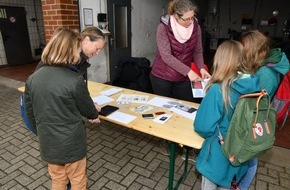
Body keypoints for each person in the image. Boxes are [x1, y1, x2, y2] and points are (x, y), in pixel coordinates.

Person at [24, 28, 101, 190]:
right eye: (77, 49)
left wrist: (44, 132)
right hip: (72, 145)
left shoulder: (33, 78)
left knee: (58, 179)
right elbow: (87, 107)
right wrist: (94, 114)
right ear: (70, 50)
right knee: (78, 179)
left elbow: (30, 112)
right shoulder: (74, 79)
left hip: (49, 143)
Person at [194, 40, 261, 189]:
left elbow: (203, 127)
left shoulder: (218, 90)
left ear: (220, 60)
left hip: (219, 154)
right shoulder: (254, 84)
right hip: (240, 152)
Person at [237, 30, 290, 190]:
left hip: (257, 119)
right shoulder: (266, 63)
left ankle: (241, 187)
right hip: (258, 115)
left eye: (243, 49)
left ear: (252, 50)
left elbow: (253, 101)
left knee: (251, 157)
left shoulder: (266, 73)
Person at [150, 0, 211, 103]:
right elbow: (166, 56)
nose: (190, 21)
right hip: (162, 77)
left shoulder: (196, 28)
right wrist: (188, 71)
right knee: (163, 109)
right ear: (176, 17)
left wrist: (201, 68)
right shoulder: (163, 27)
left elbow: (197, 51)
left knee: (186, 106)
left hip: (182, 77)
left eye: (192, 17)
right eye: (186, 19)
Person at [36, 26, 106, 83]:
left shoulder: (81, 59)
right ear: (87, 40)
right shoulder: (69, 58)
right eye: (97, 48)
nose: (97, 53)